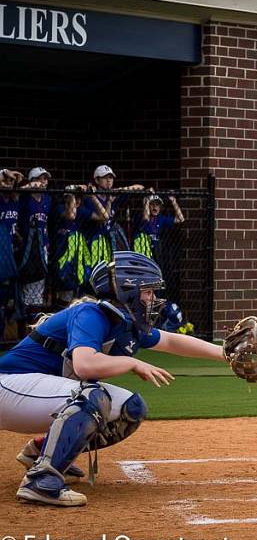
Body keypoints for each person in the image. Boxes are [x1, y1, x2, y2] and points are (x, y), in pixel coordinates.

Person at [0, 251, 229, 507]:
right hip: (9, 386)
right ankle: (41, 481)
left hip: (32, 395)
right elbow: (85, 365)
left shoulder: (126, 323)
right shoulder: (90, 313)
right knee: (92, 396)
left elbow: (171, 340)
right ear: (126, 291)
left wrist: (225, 354)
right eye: (148, 291)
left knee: (131, 408)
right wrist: (132, 362)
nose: (153, 299)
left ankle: (42, 454)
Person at [75, 165, 143, 282]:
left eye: (111, 178)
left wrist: (120, 190)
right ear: (96, 180)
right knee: (94, 275)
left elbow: (139, 187)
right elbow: (103, 217)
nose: (109, 180)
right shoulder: (89, 199)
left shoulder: (112, 195)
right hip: (93, 242)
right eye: (105, 178)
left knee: (111, 275)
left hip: (110, 243)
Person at [18, 168, 52, 326]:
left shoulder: (47, 199)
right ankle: (23, 322)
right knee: (26, 284)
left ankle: (34, 322)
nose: (43, 182)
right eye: (40, 179)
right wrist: (30, 185)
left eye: (45, 179)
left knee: (39, 284)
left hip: (42, 246)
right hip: (27, 247)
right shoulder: (24, 198)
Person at [0, 169, 24, 338]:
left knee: (5, 297)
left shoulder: (14, 202)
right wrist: (4, 173)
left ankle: (2, 334)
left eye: (11, 182)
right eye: (5, 181)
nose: (8, 184)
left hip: (9, 252)